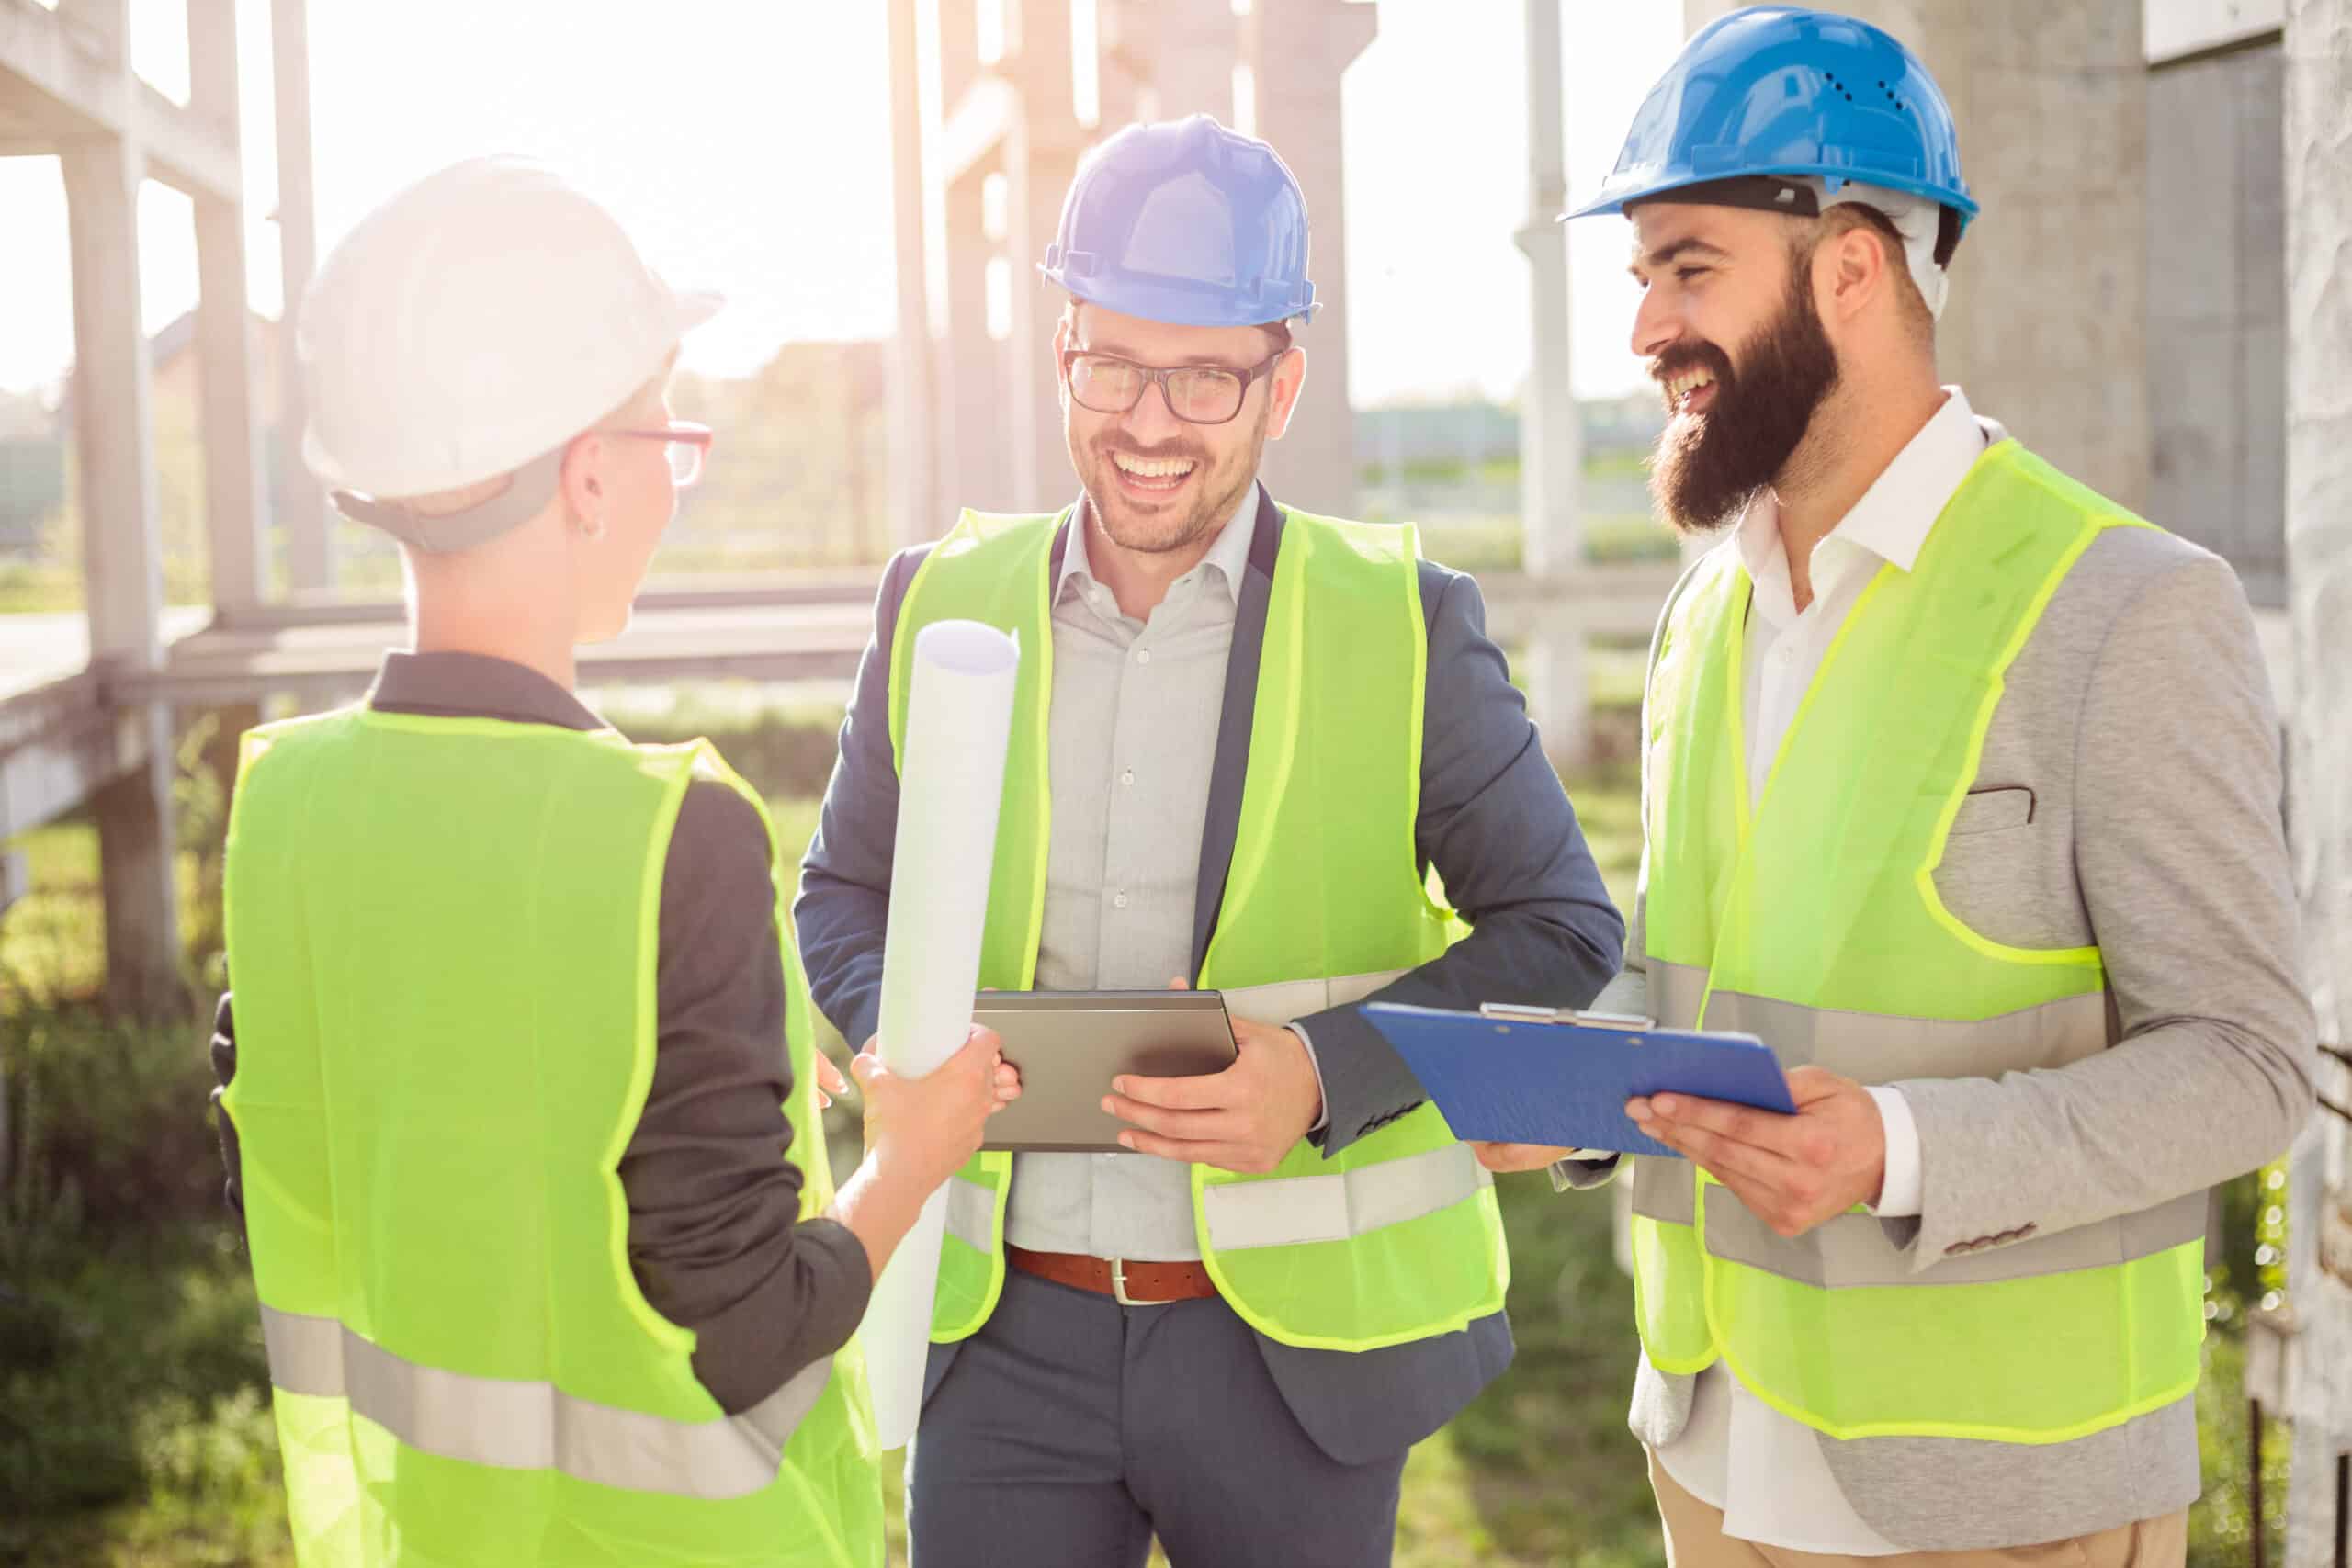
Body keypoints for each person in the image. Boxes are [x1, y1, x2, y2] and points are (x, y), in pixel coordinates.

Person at [1471, 9, 2319, 1564]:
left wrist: (1904, 1150)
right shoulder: (1707, 613)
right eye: (1643, 275)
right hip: (1719, 1456)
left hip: (2003, 1491)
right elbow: (1715, 993)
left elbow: (2249, 1063)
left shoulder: (2123, 610)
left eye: (1689, 268)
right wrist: (1575, 1098)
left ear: (1851, 264)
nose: (1647, 328)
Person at [797, 115, 1624, 1567]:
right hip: (1002, 1348)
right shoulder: (943, 598)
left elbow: (1560, 932)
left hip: (1285, 1371)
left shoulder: (1400, 622)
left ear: (1281, 383)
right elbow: (842, 891)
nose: (1150, 421)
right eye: (1113, 363)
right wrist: (903, 1038)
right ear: (1065, 350)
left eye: (1203, 375)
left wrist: (1320, 1075)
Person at [209, 156, 1017, 1567]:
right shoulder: (666, 834)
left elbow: (341, 1163)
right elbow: (748, 1331)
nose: (672, 482)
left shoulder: (286, 802)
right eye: (665, 440)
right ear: (587, 475)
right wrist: (909, 1151)